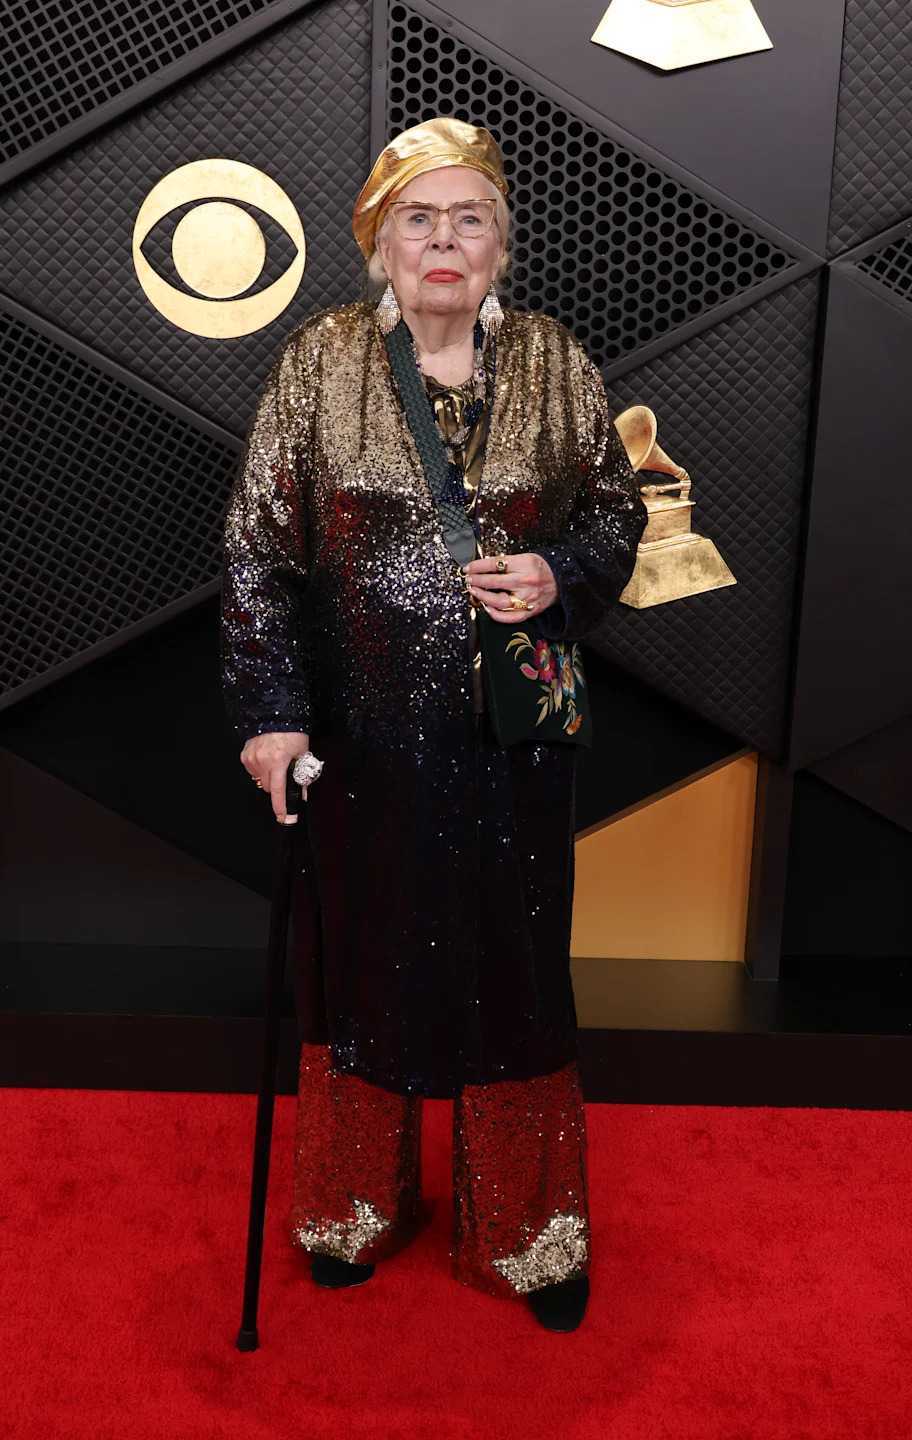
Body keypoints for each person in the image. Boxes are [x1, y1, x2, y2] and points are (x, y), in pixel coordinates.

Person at [219, 117, 648, 1332]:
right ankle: (355, 1207)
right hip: (360, 742)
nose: (442, 241)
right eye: (418, 218)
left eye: (468, 218)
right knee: (355, 963)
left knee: (514, 971)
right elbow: (258, 550)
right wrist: (270, 716)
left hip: (513, 741)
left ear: (501, 243)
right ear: (379, 241)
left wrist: (558, 571)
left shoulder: (561, 362)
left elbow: (618, 519)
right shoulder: (320, 362)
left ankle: (528, 1233)